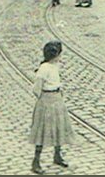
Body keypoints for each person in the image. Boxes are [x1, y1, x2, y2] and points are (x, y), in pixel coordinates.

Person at [29, 40, 76, 174]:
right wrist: (44, 100)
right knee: (42, 131)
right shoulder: (44, 68)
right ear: (55, 55)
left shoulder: (55, 65)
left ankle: (57, 155)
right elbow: (36, 89)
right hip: (47, 100)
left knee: (59, 127)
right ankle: (36, 161)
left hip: (57, 99)